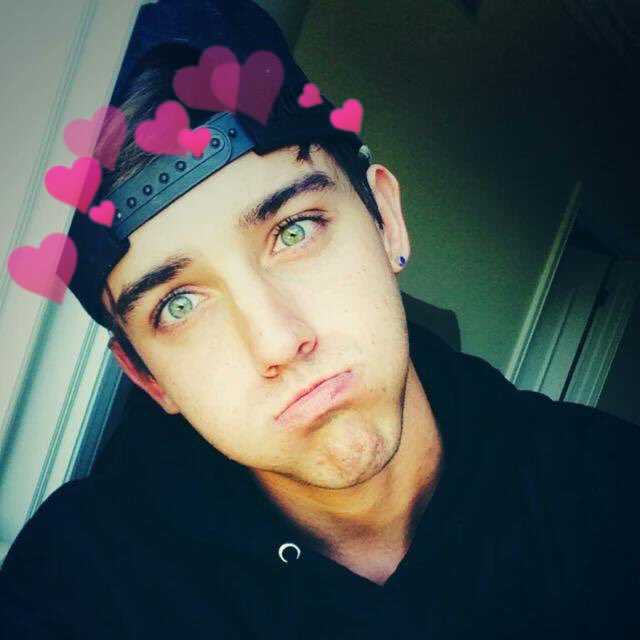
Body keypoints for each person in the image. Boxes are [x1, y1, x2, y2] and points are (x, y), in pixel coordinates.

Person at [1, 1, 639, 638]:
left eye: (294, 230)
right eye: (179, 304)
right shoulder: (75, 585)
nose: (278, 341)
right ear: (147, 377)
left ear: (387, 221)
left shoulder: (610, 493)